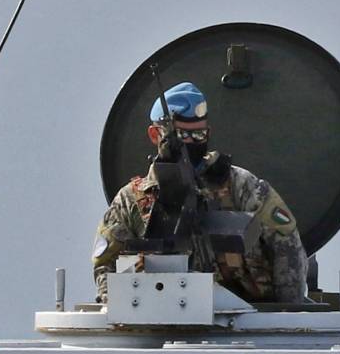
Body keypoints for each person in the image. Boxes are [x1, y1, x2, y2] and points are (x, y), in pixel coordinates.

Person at [92, 81, 309, 304]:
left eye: (199, 135)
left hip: (248, 319)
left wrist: (286, 315)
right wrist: (119, 308)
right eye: (182, 136)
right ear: (155, 134)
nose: (191, 143)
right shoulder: (131, 201)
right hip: (162, 322)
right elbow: (106, 264)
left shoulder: (242, 186)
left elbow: (286, 246)